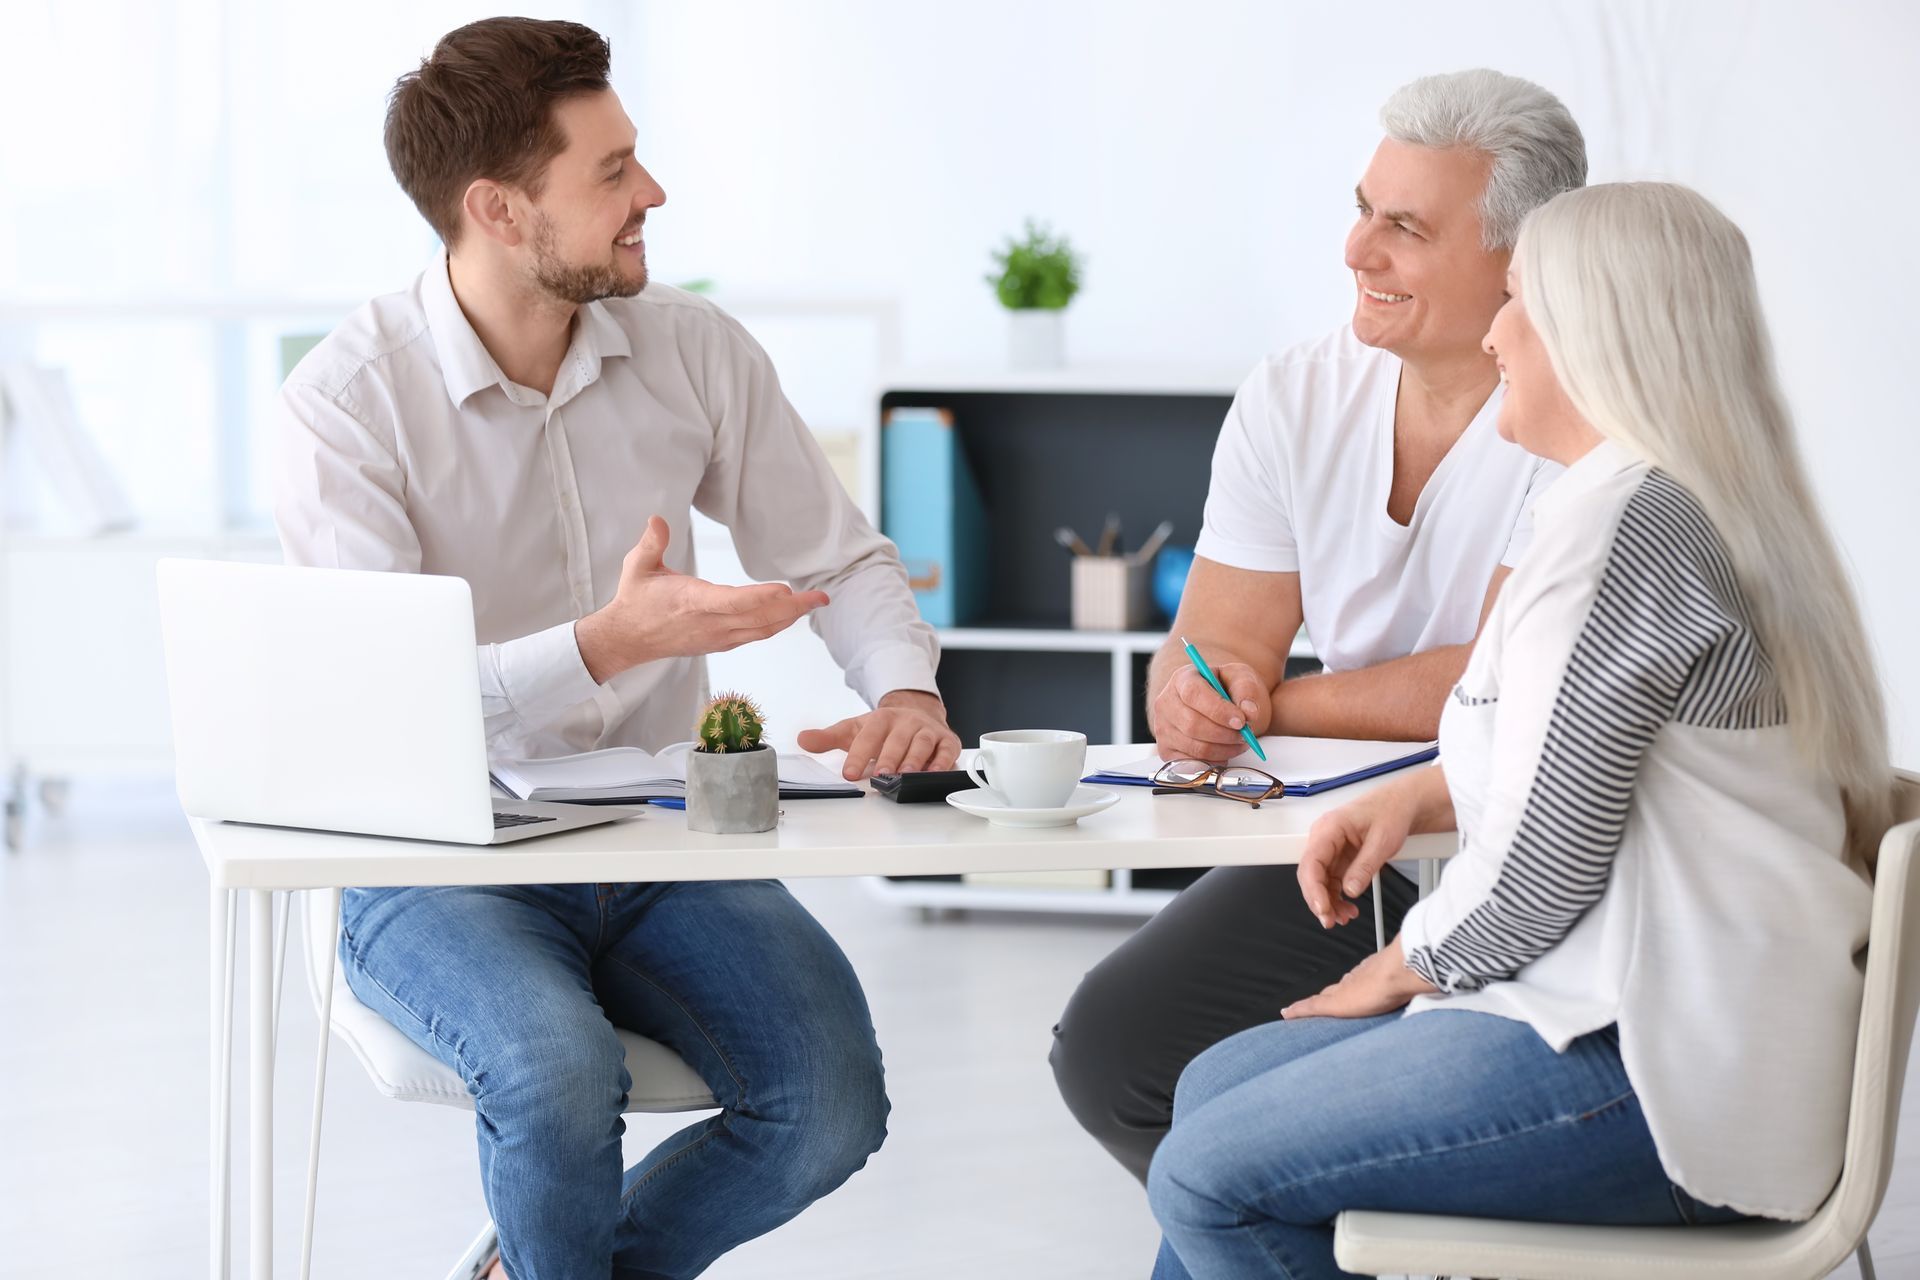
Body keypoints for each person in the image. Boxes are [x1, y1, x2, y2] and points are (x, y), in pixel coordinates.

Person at [275, 19, 960, 1278]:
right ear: (497, 208)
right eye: (611, 172)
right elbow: (381, 713)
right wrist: (598, 646)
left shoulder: (692, 348)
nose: (653, 192)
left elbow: (841, 555)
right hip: (438, 859)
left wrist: (904, 689)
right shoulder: (347, 402)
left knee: (828, 1102)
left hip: (660, 840)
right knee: (555, 1071)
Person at [1144, 180, 1895, 1279]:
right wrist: (1422, 794)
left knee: (1206, 1173)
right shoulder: (1640, 503)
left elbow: (1553, 862)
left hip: (1653, 1073)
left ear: (1596, 331)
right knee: (1216, 1091)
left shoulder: (1633, 528)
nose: (1493, 331)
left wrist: (1406, 963)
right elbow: (1586, 763)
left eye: (1518, 303)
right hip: (1633, 1021)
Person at [1051, 69, 1586, 1182]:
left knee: (1270, 1116)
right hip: (1351, 838)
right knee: (1117, 1052)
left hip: (1525, 847)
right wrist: (1196, 697)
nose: (1356, 250)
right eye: (1361, 207)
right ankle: (1305, 1224)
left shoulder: (1577, 409)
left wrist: (1273, 703)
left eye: (1404, 227)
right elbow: (1211, 650)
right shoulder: (1294, 395)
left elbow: (1490, 687)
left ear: (1521, 261)